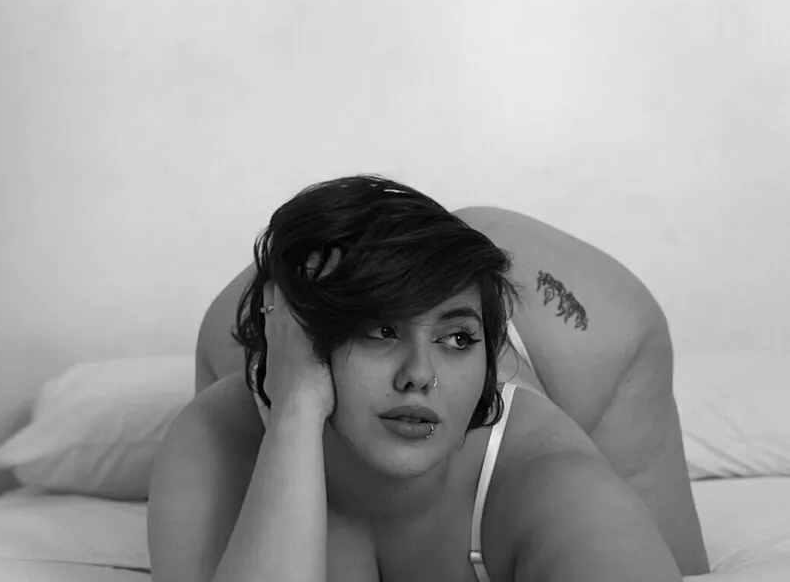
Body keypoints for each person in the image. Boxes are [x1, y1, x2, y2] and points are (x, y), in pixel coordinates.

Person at [148, 175, 709, 582]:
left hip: (565, 328)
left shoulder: (555, 485)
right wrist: (295, 410)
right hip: (306, 308)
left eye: (461, 340)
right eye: (379, 331)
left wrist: (430, 330)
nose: (419, 377)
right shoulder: (221, 426)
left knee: (682, 564)